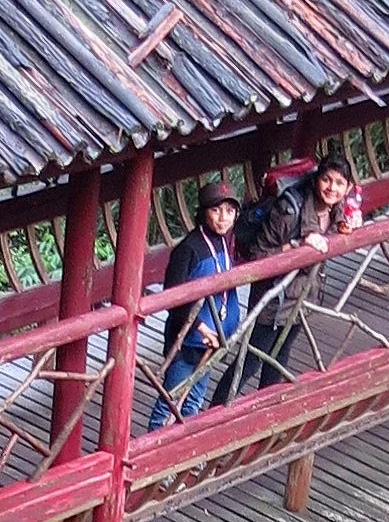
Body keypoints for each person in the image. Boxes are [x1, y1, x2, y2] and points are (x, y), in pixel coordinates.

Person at [224, 145, 358, 400]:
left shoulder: (335, 209)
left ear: (348, 188)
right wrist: (295, 248)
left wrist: (345, 223)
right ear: (316, 179)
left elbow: (339, 217)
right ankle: (215, 414)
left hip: (302, 297)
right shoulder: (289, 209)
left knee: (278, 360)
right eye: (327, 180)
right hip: (273, 298)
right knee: (250, 362)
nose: (332, 188)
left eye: (339, 183)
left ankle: (265, 414)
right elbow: (257, 254)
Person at [147, 178, 244, 430]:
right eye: (216, 210)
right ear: (203, 213)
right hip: (188, 341)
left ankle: (181, 452)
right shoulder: (188, 249)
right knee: (171, 400)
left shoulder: (226, 239)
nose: (223, 218)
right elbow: (173, 298)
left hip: (214, 340)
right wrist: (201, 328)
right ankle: (152, 456)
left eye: (230, 211)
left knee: (194, 401)